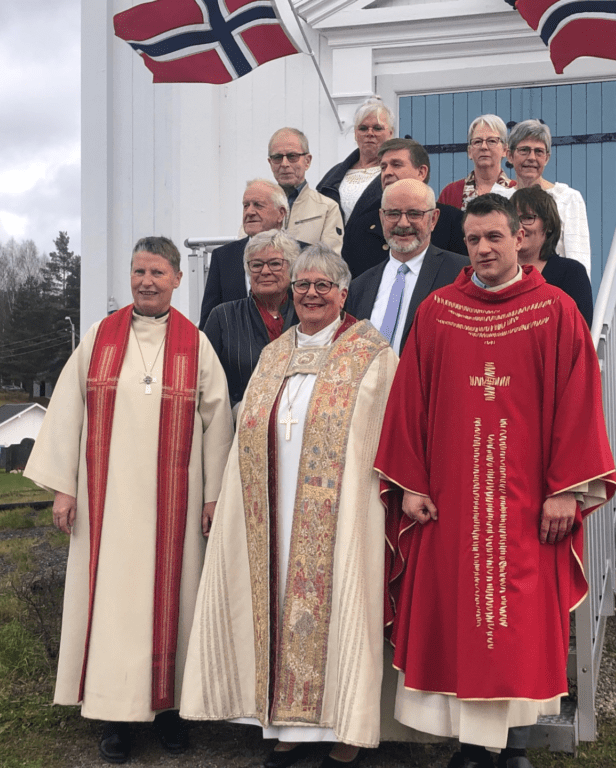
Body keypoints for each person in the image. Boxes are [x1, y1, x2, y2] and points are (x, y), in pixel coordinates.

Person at [375, 193, 616, 768]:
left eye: (495, 238)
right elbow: (409, 403)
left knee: (518, 625)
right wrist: (411, 485)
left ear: (521, 239)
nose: (483, 249)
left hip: (530, 504)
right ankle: (468, 745)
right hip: (451, 503)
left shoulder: (554, 310)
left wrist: (565, 490)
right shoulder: (438, 312)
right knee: (458, 619)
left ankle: (510, 745)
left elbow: (578, 405)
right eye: (474, 239)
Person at [181, 245, 396, 768]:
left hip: (342, 512)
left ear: (344, 293)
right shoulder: (275, 353)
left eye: (324, 285)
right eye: (303, 285)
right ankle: (288, 727)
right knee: (276, 607)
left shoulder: (372, 352)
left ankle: (344, 728)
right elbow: (251, 425)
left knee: (344, 609)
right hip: (272, 508)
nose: (312, 294)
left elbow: (387, 433)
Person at [25, 237, 234, 764]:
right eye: (139, 271)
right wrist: (65, 487)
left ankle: (169, 713)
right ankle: (113, 716)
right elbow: (69, 409)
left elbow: (217, 426)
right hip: (107, 506)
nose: (146, 281)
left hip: (176, 511)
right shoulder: (100, 337)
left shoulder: (195, 344)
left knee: (175, 605)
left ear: (176, 280)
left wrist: (213, 499)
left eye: (157, 272)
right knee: (113, 608)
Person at [345, 178, 468, 354]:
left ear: (433, 219)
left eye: (414, 213)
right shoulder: (359, 287)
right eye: (393, 213)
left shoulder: (460, 275)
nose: (403, 223)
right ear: (382, 217)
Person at [342, 138, 467, 278]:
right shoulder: (360, 226)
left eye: (396, 165)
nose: (387, 172)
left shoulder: (454, 223)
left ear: (421, 172)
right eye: (383, 167)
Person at [202, 229, 299, 409]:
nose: (265, 271)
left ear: (292, 269)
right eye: (256, 265)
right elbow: (204, 381)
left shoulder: (305, 317)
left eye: (275, 264)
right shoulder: (222, 317)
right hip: (238, 424)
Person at [502, 120, 592, 276]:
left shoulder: (568, 198)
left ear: (547, 158)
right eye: (524, 150)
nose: (532, 157)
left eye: (539, 152)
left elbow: (578, 258)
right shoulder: (499, 199)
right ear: (510, 155)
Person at [200, 179, 289, 328]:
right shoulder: (223, 257)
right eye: (245, 205)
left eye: (258, 205)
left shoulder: (302, 253)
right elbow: (208, 321)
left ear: (281, 214)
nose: (249, 212)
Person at [510, 186, 593, 327]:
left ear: (548, 225)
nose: (519, 226)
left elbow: (580, 329)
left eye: (528, 217)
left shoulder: (571, 273)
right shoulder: (498, 272)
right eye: (513, 218)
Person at [317, 97, 394, 227]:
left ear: (390, 134)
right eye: (363, 128)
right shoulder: (333, 174)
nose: (370, 133)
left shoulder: (397, 173)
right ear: (355, 134)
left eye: (377, 128)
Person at [265, 127, 344, 254]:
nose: (284, 164)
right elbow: (244, 252)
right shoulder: (258, 206)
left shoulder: (327, 208)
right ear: (270, 163)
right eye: (277, 157)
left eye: (292, 156)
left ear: (307, 161)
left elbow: (330, 262)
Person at [436, 115, 514, 211]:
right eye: (477, 141)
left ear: (505, 150)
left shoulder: (516, 191)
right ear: (469, 152)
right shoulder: (450, 193)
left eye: (492, 141)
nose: (484, 147)